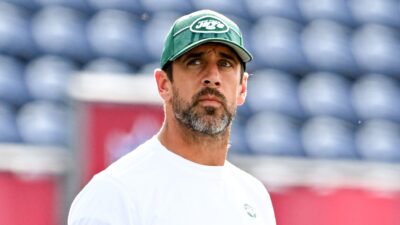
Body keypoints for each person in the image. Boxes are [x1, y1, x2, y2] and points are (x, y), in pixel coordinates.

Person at [68, 9, 276, 225]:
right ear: (164, 84)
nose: (212, 77)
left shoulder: (254, 196)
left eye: (225, 64)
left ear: (242, 88)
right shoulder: (115, 193)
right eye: (195, 62)